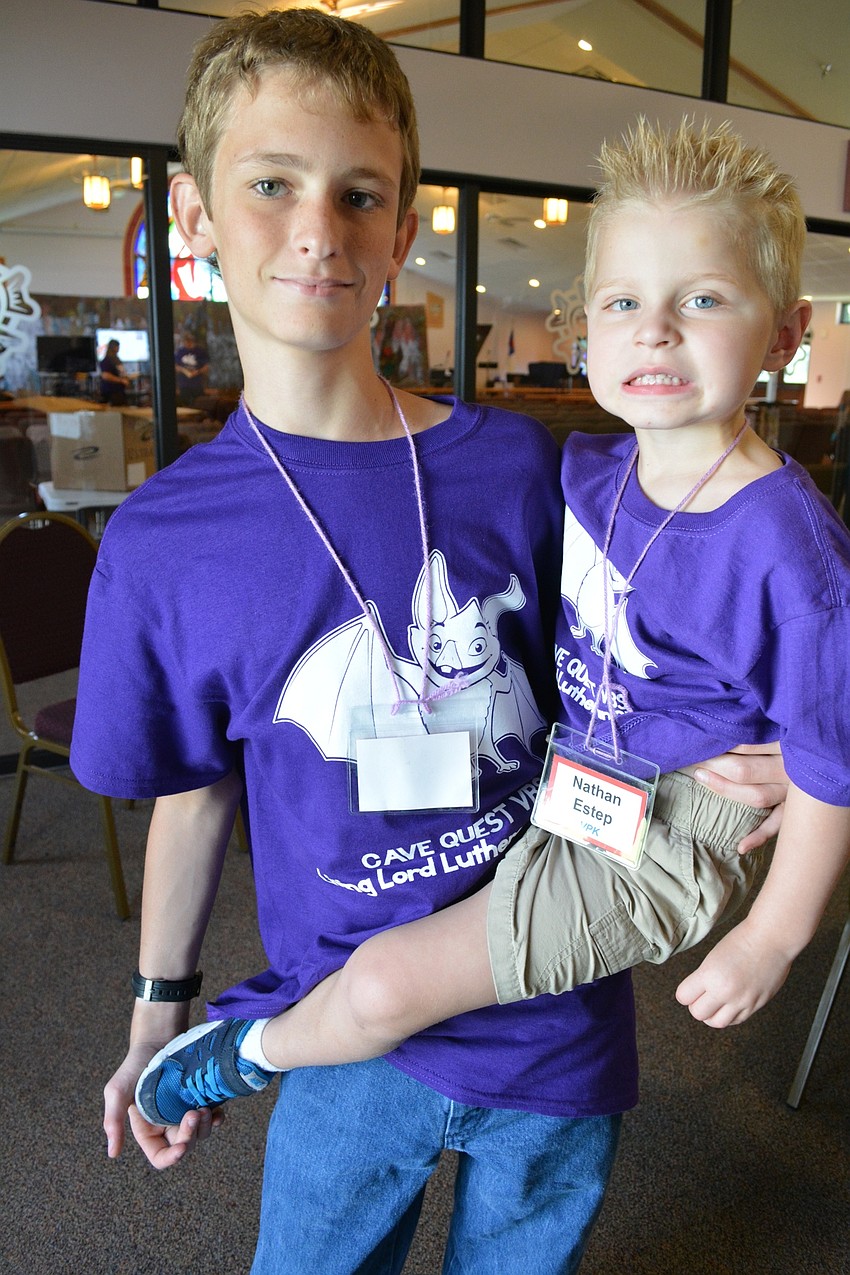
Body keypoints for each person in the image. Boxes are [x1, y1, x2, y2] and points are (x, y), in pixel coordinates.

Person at [70, 22, 784, 1270]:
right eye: (271, 183)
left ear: (403, 230)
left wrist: (772, 741)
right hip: (346, 1041)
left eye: (361, 196)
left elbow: (673, 643)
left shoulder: (524, 469)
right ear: (193, 212)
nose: (318, 231)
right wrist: (157, 1007)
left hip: (554, 1020)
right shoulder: (162, 542)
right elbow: (194, 796)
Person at [132, 118, 850, 1133]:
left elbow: (835, 760)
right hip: (576, 782)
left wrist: (772, 935)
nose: (654, 330)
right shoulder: (589, 473)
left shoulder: (783, 542)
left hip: (672, 836)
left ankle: (239, 1052)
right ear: (584, 330)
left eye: (702, 300)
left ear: (782, 334)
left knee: (385, 987)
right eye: (622, 302)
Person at [174, 329, 209, 404]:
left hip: (197, 384)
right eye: (186, 341)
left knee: (199, 403)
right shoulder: (180, 352)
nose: (188, 343)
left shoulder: (200, 352)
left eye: (190, 340)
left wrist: (197, 372)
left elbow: (206, 367)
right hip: (184, 384)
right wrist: (184, 371)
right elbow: (176, 366)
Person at [99, 338, 130, 405]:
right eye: (117, 347)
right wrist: (120, 380)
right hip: (111, 391)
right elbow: (105, 375)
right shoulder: (107, 361)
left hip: (119, 391)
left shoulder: (116, 359)